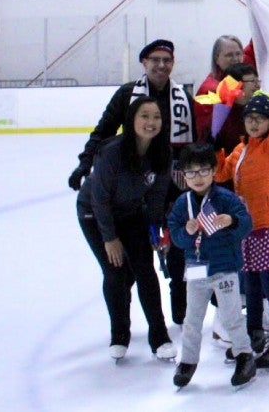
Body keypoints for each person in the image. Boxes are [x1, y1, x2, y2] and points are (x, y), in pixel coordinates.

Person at [69, 38, 194, 326]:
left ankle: (180, 313)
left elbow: (194, 141)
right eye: (155, 60)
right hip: (139, 188)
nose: (161, 65)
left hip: (173, 185)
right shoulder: (128, 94)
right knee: (127, 266)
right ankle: (120, 318)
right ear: (144, 63)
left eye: (167, 60)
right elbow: (103, 132)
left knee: (177, 252)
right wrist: (84, 164)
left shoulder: (182, 97)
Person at [76, 96, 176, 360]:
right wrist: (109, 238)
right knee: (115, 273)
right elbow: (99, 199)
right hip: (95, 215)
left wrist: (155, 230)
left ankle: (159, 336)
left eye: (156, 117)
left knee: (146, 271)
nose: (150, 122)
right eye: (144, 116)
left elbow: (156, 195)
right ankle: (119, 334)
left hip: (131, 213)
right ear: (132, 119)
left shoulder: (162, 152)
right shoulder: (112, 153)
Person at [168, 142, 256, 388]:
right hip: (196, 268)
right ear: (183, 174)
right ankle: (187, 361)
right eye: (191, 172)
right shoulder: (182, 203)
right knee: (192, 318)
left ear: (214, 170)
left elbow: (246, 224)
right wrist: (186, 232)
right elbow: (176, 235)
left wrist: (232, 221)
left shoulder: (226, 199)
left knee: (231, 317)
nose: (198, 177)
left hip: (224, 267)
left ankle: (244, 355)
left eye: (204, 170)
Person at [217, 92, 269, 367]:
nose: (253, 123)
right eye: (249, 118)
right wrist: (214, 147)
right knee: (250, 283)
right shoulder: (241, 149)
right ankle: (254, 333)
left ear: (268, 123)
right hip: (245, 227)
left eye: (259, 119)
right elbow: (220, 174)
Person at [194, 35, 246, 142]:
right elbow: (207, 132)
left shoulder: (241, 81)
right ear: (216, 58)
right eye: (229, 55)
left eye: (238, 54)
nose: (235, 59)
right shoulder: (209, 89)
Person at [212, 62, 261, 158]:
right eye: (253, 81)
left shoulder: (261, 109)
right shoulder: (221, 116)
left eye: (258, 81)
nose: (258, 86)